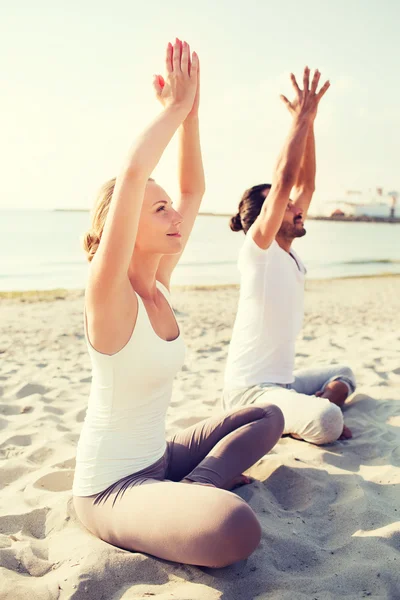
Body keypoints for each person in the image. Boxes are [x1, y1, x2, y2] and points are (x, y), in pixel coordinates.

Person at [72, 39, 284, 569]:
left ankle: (198, 482)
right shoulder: (109, 294)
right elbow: (134, 175)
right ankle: (199, 492)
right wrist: (169, 109)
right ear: (123, 226)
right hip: (109, 489)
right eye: (159, 209)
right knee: (234, 526)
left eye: (171, 209)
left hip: (160, 457)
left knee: (267, 415)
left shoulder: (159, 281)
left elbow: (194, 189)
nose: (176, 216)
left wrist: (191, 115)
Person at [223, 67, 356, 445]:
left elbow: (305, 182)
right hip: (249, 392)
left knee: (344, 373)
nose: (297, 206)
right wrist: (298, 120)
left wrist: (309, 121)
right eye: (285, 205)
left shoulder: (288, 253)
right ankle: (305, 414)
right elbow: (284, 180)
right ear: (264, 218)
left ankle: (301, 408)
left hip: (282, 383)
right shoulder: (258, 252)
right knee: (329, 421)